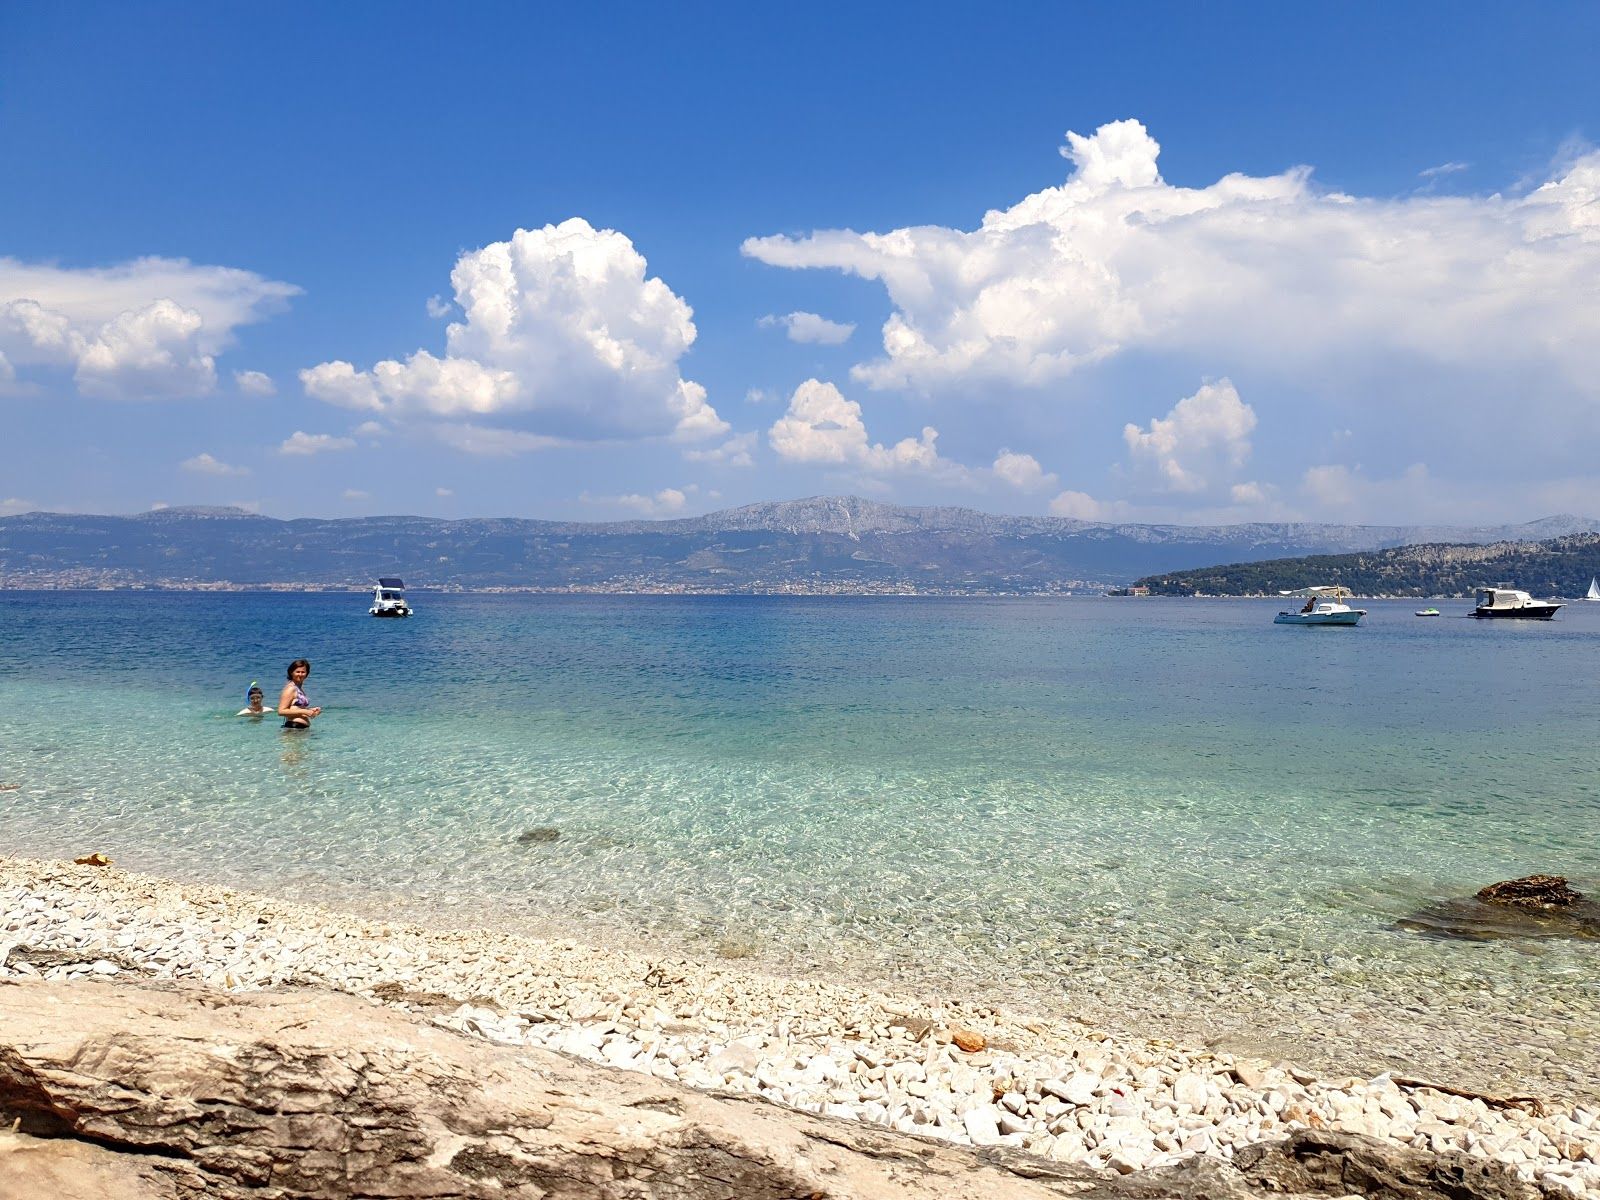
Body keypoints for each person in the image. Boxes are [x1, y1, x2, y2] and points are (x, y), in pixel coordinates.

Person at [278, 659, 322, 729]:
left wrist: (310, 711)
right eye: (297, 672)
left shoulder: (299, 688)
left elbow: (295, 708)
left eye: (303, 672)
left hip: (299, 728)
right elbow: (281, 711)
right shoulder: (291, 689)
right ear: (291, 672)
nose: (300, 674)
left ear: (307, 674)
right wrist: (305, 711)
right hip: (294, 727)